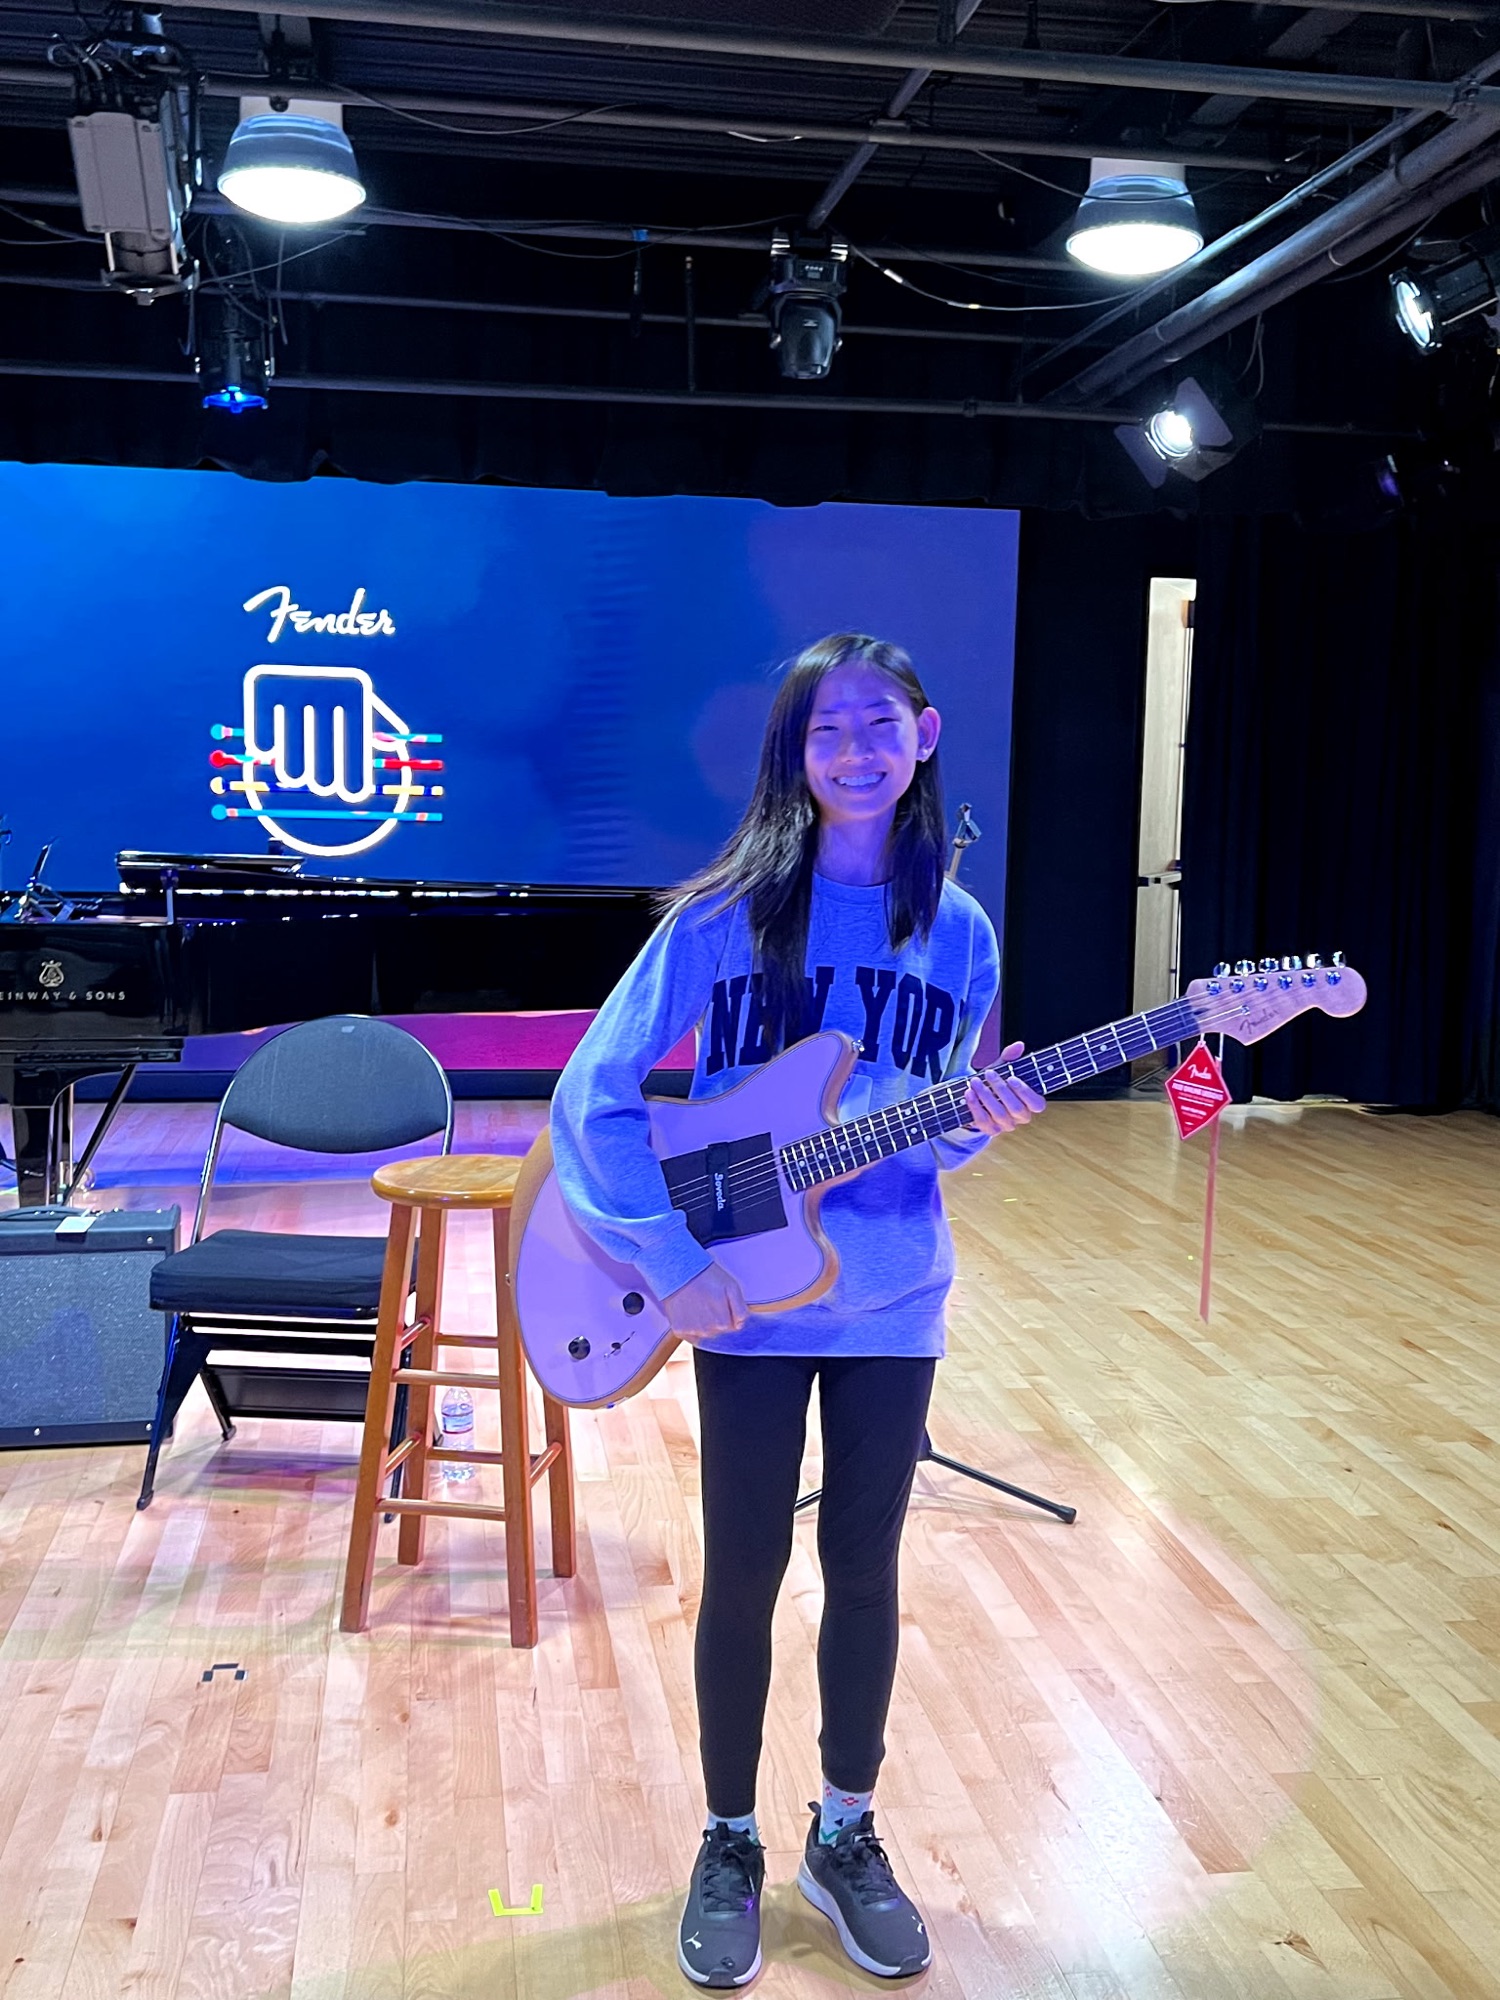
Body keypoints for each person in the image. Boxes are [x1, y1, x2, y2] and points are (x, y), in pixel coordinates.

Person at [550, 633, 1044, 1986]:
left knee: (869, 1567)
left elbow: (931, 1126)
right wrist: (666, 1255)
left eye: (880, 724)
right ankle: (726, 1841)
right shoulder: (719, 918)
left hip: (895, 1294)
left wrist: (979, 1122)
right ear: (794, 753)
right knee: (748, 1567)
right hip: (747, 1298)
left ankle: (845, 1832)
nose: (856, 751)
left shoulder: (958, 928)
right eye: (826, 730)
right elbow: (594, 1094)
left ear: (926, 738)